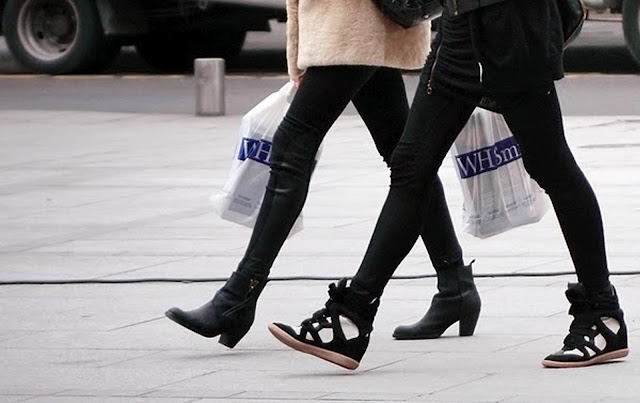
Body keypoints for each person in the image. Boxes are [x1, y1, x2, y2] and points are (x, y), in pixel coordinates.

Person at [269, 0, 629, 370]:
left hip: (511, 27)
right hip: (460, 28)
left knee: (551, 165)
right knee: (411, 167)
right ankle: (352, 316)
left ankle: (603, 315)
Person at [164, 0, 481, 348]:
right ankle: (455, 286)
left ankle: (238, 295)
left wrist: (304, 52)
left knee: (292, 145)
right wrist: (300, 52)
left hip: (351, 23)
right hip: (361, 24)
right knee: (406, 159)